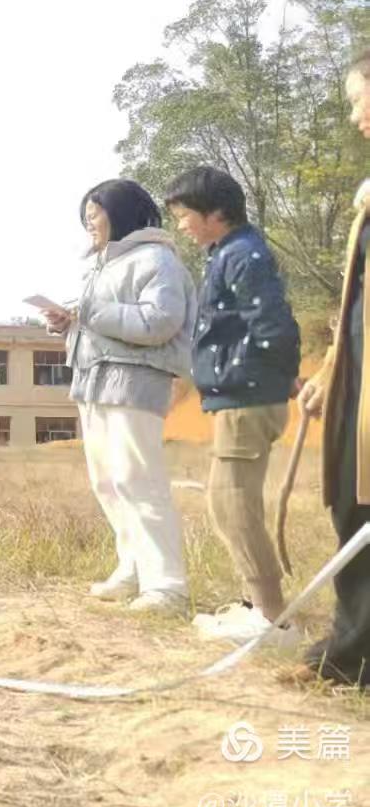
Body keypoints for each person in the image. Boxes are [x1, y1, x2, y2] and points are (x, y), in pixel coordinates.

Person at [38, 180, 196, 614]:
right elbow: (101, 323)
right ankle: (134, 568)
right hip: (94, 381)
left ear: (121, 212)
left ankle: (168, 586)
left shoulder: (157, 259)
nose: (89, 222)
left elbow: (160, 322)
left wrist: (88, 313)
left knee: (138, 480)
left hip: (134, 381)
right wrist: (68, 323)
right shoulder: (101, 265)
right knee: (107, 481)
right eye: (86, 216)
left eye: (95, 213)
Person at [165, 166, 303, 647]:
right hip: (241, 394)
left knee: (232, 504)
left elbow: (273, 324)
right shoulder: (228, 252)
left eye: (185, 215)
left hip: (248, 395)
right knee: (230, 502)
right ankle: (256, 606)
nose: (181, 225)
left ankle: (271, 618)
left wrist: (271, 377)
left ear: (215, 213)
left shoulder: (243, 254)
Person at [294, 50, 370, 688]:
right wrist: (327, 372)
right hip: (359, 380)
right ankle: (353, 649)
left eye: (356, 98)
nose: (353, 116)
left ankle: (352, 656)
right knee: (353, 506)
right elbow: (353, 302)